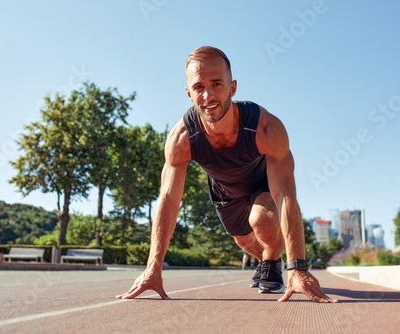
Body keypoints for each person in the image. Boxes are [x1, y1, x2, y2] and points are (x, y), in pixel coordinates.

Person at [116, 46, 338, 303]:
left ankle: (273, 262)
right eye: (199, 87)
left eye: (216, 84)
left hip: (261, 183)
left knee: (262, 221)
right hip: (224, 192)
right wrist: (153, 267)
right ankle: (267, 258)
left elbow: (285, 194)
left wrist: (298, 267)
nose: (208, 95)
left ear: (232, 88)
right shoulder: (182, 139)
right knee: (245, 242)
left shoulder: (265, 128)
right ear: (189, 93)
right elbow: (169, 200)